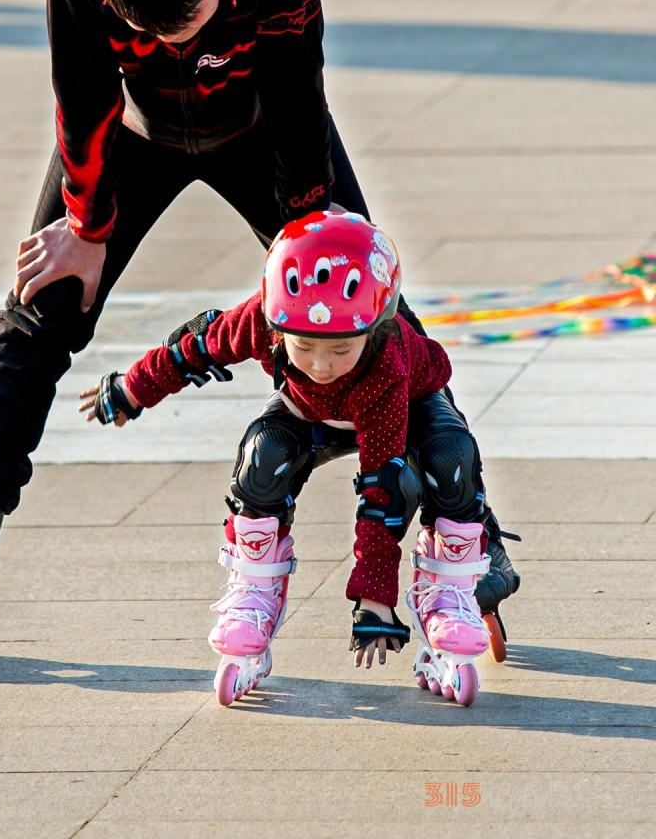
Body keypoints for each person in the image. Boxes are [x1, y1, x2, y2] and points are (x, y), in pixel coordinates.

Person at [0, 0, 517, 653]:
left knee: (357, 308)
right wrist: (86, 227)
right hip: (135, 131)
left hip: (264, 129)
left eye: (189, 22)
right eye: (149, 31)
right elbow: (81, 91)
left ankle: (465, 515)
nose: (177, 45)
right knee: (40, 304)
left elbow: (298, 91)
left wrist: (310, 229)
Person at [78, 211, 496, 705]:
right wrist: (132, 389)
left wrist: (374, 594)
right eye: (304, 347)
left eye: (341, 349)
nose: (320, 365)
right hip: (310, 415)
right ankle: (254, 588)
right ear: (280, 327)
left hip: (409, 407)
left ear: (378, 327)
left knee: (450, 458)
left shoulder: (389, 362)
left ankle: (449, 592)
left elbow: (381, 487)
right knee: (263, 454)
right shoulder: (261, 320)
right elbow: (194, 348)